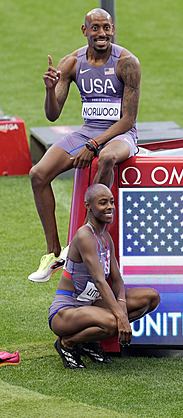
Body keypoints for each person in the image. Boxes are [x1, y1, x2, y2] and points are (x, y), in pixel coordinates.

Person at [29, 8, 141, 283]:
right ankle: (55, 252)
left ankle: (81, 238)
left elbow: (128, 120)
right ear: (85, 30)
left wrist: (94, 145)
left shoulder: (127, 63)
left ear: (113, 29)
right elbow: (52, 114)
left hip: (119, 135)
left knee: (106, 158)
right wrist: (49, 89)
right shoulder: (71, 63)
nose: (101, 34)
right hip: (87, 131)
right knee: (38, 174)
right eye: (95, 28)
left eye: (106, 28)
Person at [49, 184, 160, 369]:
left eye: (111, 202)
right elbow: (100, 280)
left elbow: (117, 280)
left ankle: (89, 341)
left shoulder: (105, 238)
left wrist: (122, 305)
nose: (110, 206)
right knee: (113, 323)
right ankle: (67, 344)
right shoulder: (84, 235)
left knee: (150, 298)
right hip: (66, 311)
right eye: (103, 203)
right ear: (88, 206)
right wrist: (121, 317)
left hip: (90, 305)